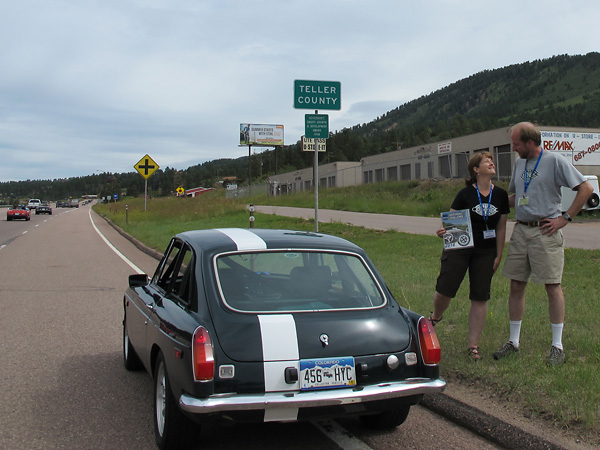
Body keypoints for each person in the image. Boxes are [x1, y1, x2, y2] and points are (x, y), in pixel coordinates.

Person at [494, 122, 593, 366]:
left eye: (517, 144)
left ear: (529, 142)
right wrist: (490, 202)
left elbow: (586, 189)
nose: (514, 148)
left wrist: (565, 218)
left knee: (552, 286)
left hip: (545, 232)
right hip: (521, 231)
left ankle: (557, 346)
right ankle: (513, 342)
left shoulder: (555, 161)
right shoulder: (519, 164)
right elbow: (518, 197)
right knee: (516, 285)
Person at [429, 152, 509, 361]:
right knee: (445, 289)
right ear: (476, 169)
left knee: (480, 296)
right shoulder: (464, 194)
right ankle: (435, 317)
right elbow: (450, 219)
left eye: (492, 161)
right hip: (460, 248)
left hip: (485, 251)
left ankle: (473, 345)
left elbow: (501, 228)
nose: (492, 163)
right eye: (487, 161)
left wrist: (498, 255)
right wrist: (442, 230)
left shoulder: (500, 195)